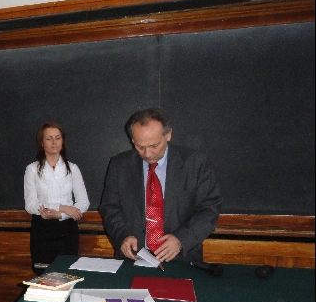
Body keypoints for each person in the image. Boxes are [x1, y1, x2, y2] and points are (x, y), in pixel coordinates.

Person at [98, 108, 222, 263]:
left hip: (181, 258)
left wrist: (180, 239)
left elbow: (209, 209)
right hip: (133, 258)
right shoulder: (120, 165)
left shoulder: (195, 163)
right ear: (133, 141)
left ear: (168, 134)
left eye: (154, 145)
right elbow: (110, 208)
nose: (147, 154)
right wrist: (122, 236)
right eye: (140, 147)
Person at [24, 122, 90, 274]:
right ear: (42, 143)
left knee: (66, 274)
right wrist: (62, 207)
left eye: (57, 138)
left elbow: (83, 202)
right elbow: (31, 204)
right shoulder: (32, 169)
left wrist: (62, 214)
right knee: (43, 275)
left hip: (67, 229)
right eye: (49, 138)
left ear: (62, 141)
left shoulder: (72, 168)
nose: (54, 142)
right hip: (42, 229)